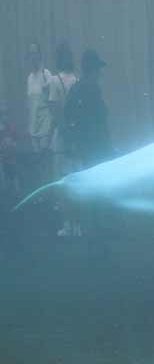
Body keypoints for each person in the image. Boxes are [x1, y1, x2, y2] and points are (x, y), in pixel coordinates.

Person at [48, 42, 79, 237]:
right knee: (75, 182)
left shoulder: (53, 80)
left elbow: (54, 109)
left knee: (61, 182)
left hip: (62, 139)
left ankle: (68, 224)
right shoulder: (76, 80)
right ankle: (77, 225)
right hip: (75, 138)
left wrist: (63, 129)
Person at [64, 49, 112, 169]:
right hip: (97, 148)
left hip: (83, 149)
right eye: (97, 69)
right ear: (92, 70)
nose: (99, 73)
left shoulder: (75, 89)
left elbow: (67, 116)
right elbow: (100, 120)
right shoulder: (93, 89)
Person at [26, 43, 53, 153]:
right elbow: (29, 103)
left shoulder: (46, 74)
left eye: (35, 53)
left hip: (45, 123)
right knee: (37, 158)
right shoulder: (29, 78)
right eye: (31, 53)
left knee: (45, 155)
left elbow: (52, 97)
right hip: (33, 125)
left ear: (40, 55)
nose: (33, 56)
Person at [0, 105, 19, 196]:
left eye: (6, 114)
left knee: (13, 173)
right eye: (3, 114)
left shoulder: (11, 126)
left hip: (10, 155)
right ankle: (5, 192)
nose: (4, 116)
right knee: (3, 175)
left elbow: (15, 138)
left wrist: (13, 145)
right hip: (2, 155)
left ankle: (15, 192)